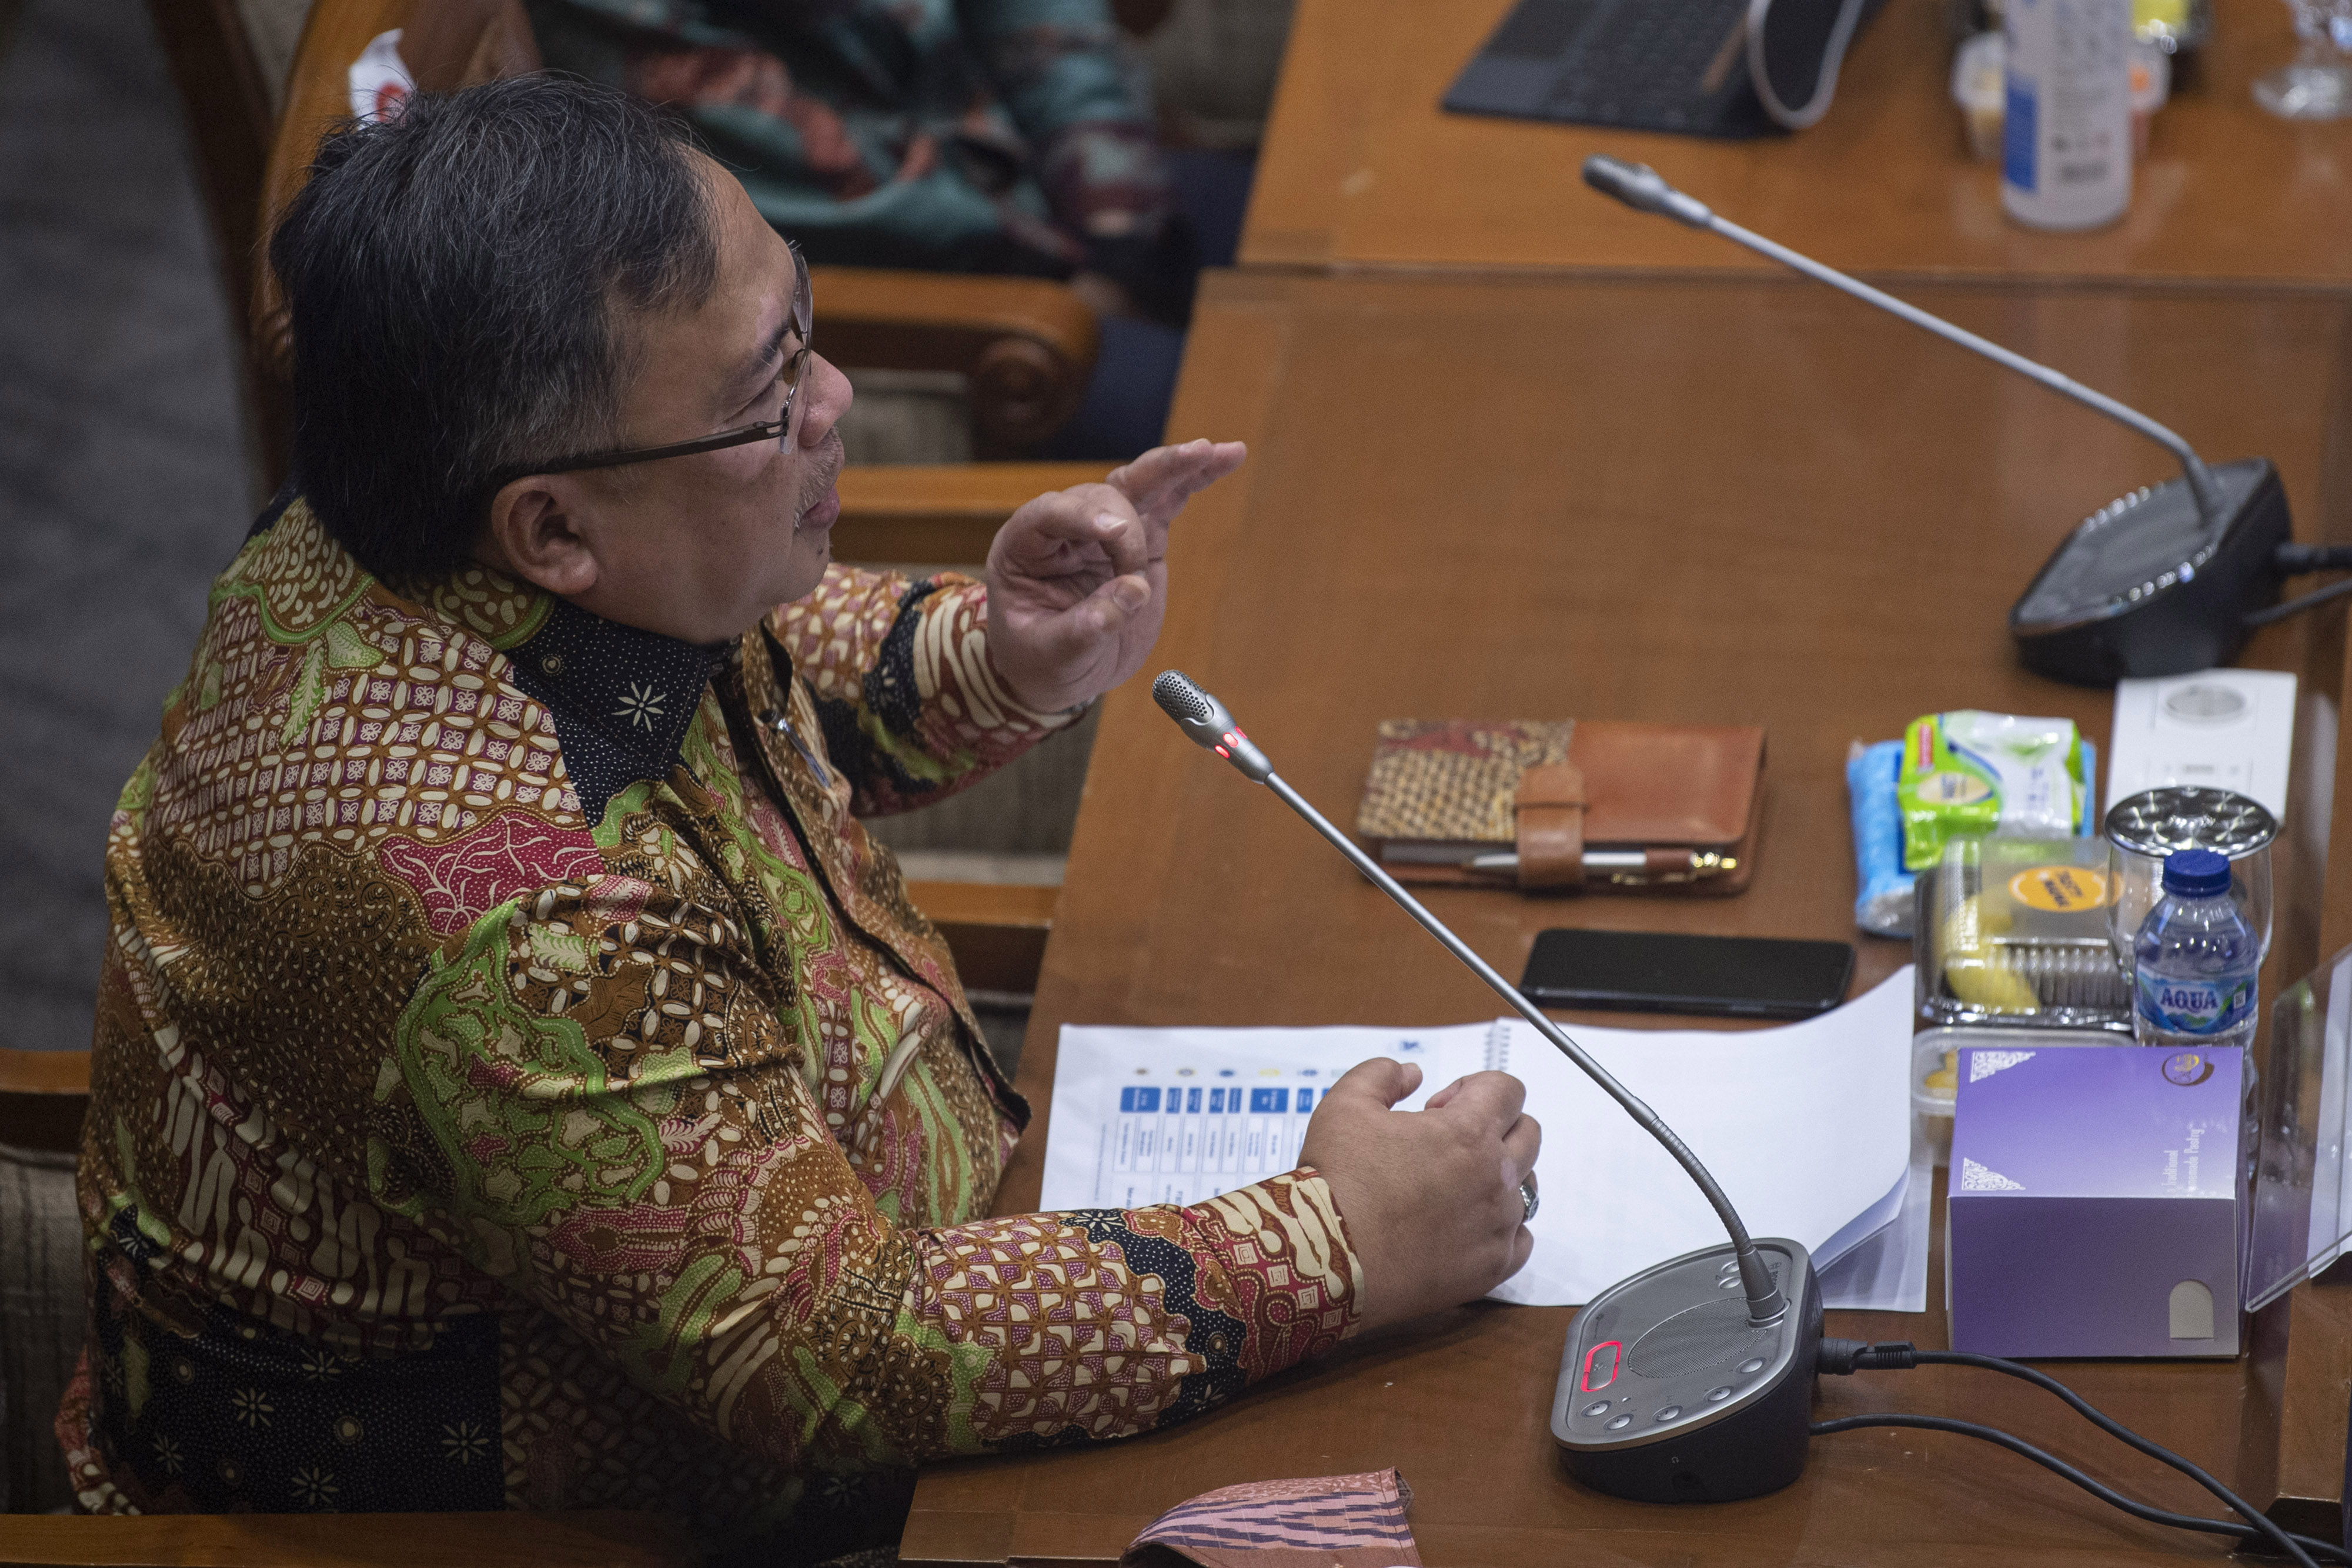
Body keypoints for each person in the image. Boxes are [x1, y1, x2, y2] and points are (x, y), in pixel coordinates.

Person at [58, 76, 1537, 1560]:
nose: (830, 404)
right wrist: (1337, 1246)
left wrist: (989, 651)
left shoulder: (423, 518)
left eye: (802, 325)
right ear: (554, 530)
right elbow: (840, 1360)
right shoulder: (525, 934)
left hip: (873, 1237)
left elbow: (723, 666)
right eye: (768, 400)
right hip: (595, 1512)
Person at [531, 0, 1225, 458]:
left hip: (1034, 141)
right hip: (946, 269)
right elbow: (859, 197)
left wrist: (1117, 203)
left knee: (1310, 265)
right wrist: (1083, 276)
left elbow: (1037, 20)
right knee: (1250, 416)